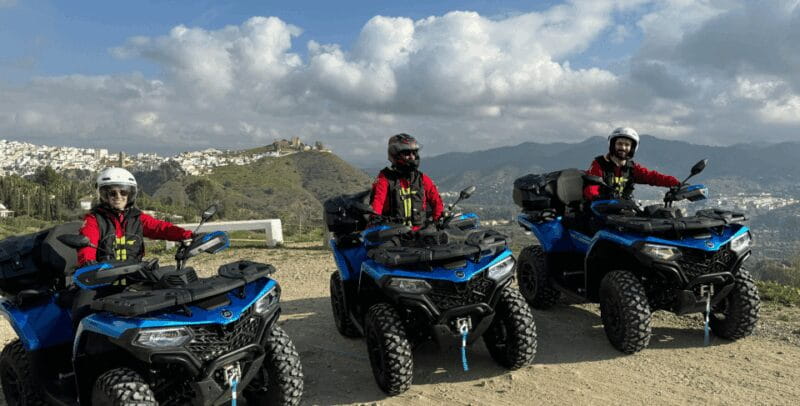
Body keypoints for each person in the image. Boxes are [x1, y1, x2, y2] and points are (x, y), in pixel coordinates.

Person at [77, 167, 194, 266]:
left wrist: (187, 235)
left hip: (135, 276)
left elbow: (160, 228)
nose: (118, 196)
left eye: (123, 192)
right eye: (112, 193)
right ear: (104, 195)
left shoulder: (137, 217)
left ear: (130, 194)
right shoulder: (94, 220)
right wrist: (88, 264)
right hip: (104, 280)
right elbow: (87, 246)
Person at [583, 127, 681, 201]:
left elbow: (653, 177)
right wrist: (598, 197)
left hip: (621, 212)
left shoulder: (632, 168)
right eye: (619, 144)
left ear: (632, 148)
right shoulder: (599, 164)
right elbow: (591, 187)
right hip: (598, 211)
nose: (623, 147)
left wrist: (676, 183)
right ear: (613, 145)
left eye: (627, 145)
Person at [370, 133, 444, 229]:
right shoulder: (385, 178)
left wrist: (437, 222)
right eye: (407, 153)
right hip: (393, 234)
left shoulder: (422, 178)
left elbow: (437, 202)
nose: (412, 157)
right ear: (395, 155)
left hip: (420, 234)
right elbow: (377, 204)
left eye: (414, 153)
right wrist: (374, 222)